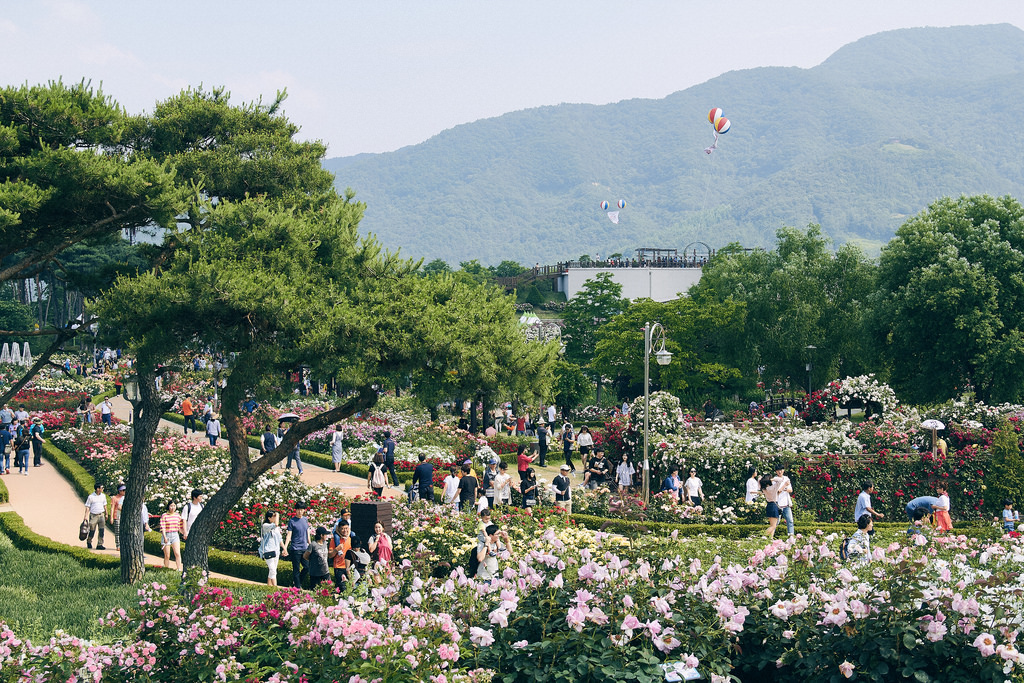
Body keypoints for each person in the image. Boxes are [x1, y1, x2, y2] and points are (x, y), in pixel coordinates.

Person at [283, 502, 311, 589]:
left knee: (307, 567)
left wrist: (310, 544)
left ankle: (297, 582)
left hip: (304, 548)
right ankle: (297, 587)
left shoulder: (305, 520)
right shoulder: (292, 521)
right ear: (296, 510)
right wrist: (285, 548)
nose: (300, 512)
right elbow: (289, 535)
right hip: (295, 548)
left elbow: (307, 533)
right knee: (296, 569)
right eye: (298, 510)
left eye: (301, 510)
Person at [259, 511, 285, 586]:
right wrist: (277, 515)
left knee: (272, 570)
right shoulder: (265, 525)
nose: (274, 518)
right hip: (268, 550)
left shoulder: (276, 528)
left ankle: (269, 586)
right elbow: (276, 524)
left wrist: (284, 548)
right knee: (273, 570)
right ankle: (275, 587)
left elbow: (280, 539)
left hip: (276, 551)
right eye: (273, 516)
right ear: (269, 518)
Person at [160, 501, 185, 571]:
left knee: (177, 553)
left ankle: (179, 568)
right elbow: (163, 527)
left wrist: (184, 533)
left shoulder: (177, 515)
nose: (172, 507)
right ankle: (166, 568)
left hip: (175, 535)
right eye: (171, 506)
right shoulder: (164, 515)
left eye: (174, 506)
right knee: (167, 555)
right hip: (167, 535)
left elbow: (180, 527)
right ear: (168, 506)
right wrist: (164, 537)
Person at [328, 520, 353, 589]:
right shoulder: (334, 540)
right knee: (343, 588)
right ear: (339, 529)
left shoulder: (350, 539)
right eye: (342, 529)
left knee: (351, 588)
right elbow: (330, 555)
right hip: (339, 568)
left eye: (346, 528)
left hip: (349, 568)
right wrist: (336, 549)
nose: (345, 530)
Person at [83, 483, 107, 550]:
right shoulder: (91, 497)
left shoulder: (103, 496)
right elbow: (88, 507)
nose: (102, 489)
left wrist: (106, 514)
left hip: (101, 515)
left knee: (101, 530)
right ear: (97, 489)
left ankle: (100, 544)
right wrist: (85, 516)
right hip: (93, 515)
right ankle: (89, 541)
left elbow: (105, 505)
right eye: (102, 488)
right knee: (92, 530)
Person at [772, 466, 794, 536]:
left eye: (781, 470)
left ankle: (791, 537)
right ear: (776, 472)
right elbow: (776, 492)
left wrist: (784, 489)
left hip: (786, 504)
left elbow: (790, 490)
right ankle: (770, 537)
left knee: (790, 521)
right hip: (778, 504)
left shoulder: (786, 478)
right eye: (778, 470)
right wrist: (784, 486)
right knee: (776, 522)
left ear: (783, 470)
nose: (780, 472)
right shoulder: (774, 480)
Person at [109, 484, 126, 549]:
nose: (124, 492)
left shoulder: (125, 498)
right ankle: (118, 545)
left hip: (124, 517)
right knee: (117, 532)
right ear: (119, 491)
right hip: (117, 516)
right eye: (123, 490)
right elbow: (112, 508)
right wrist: (111, 518)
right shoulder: (114, 498)